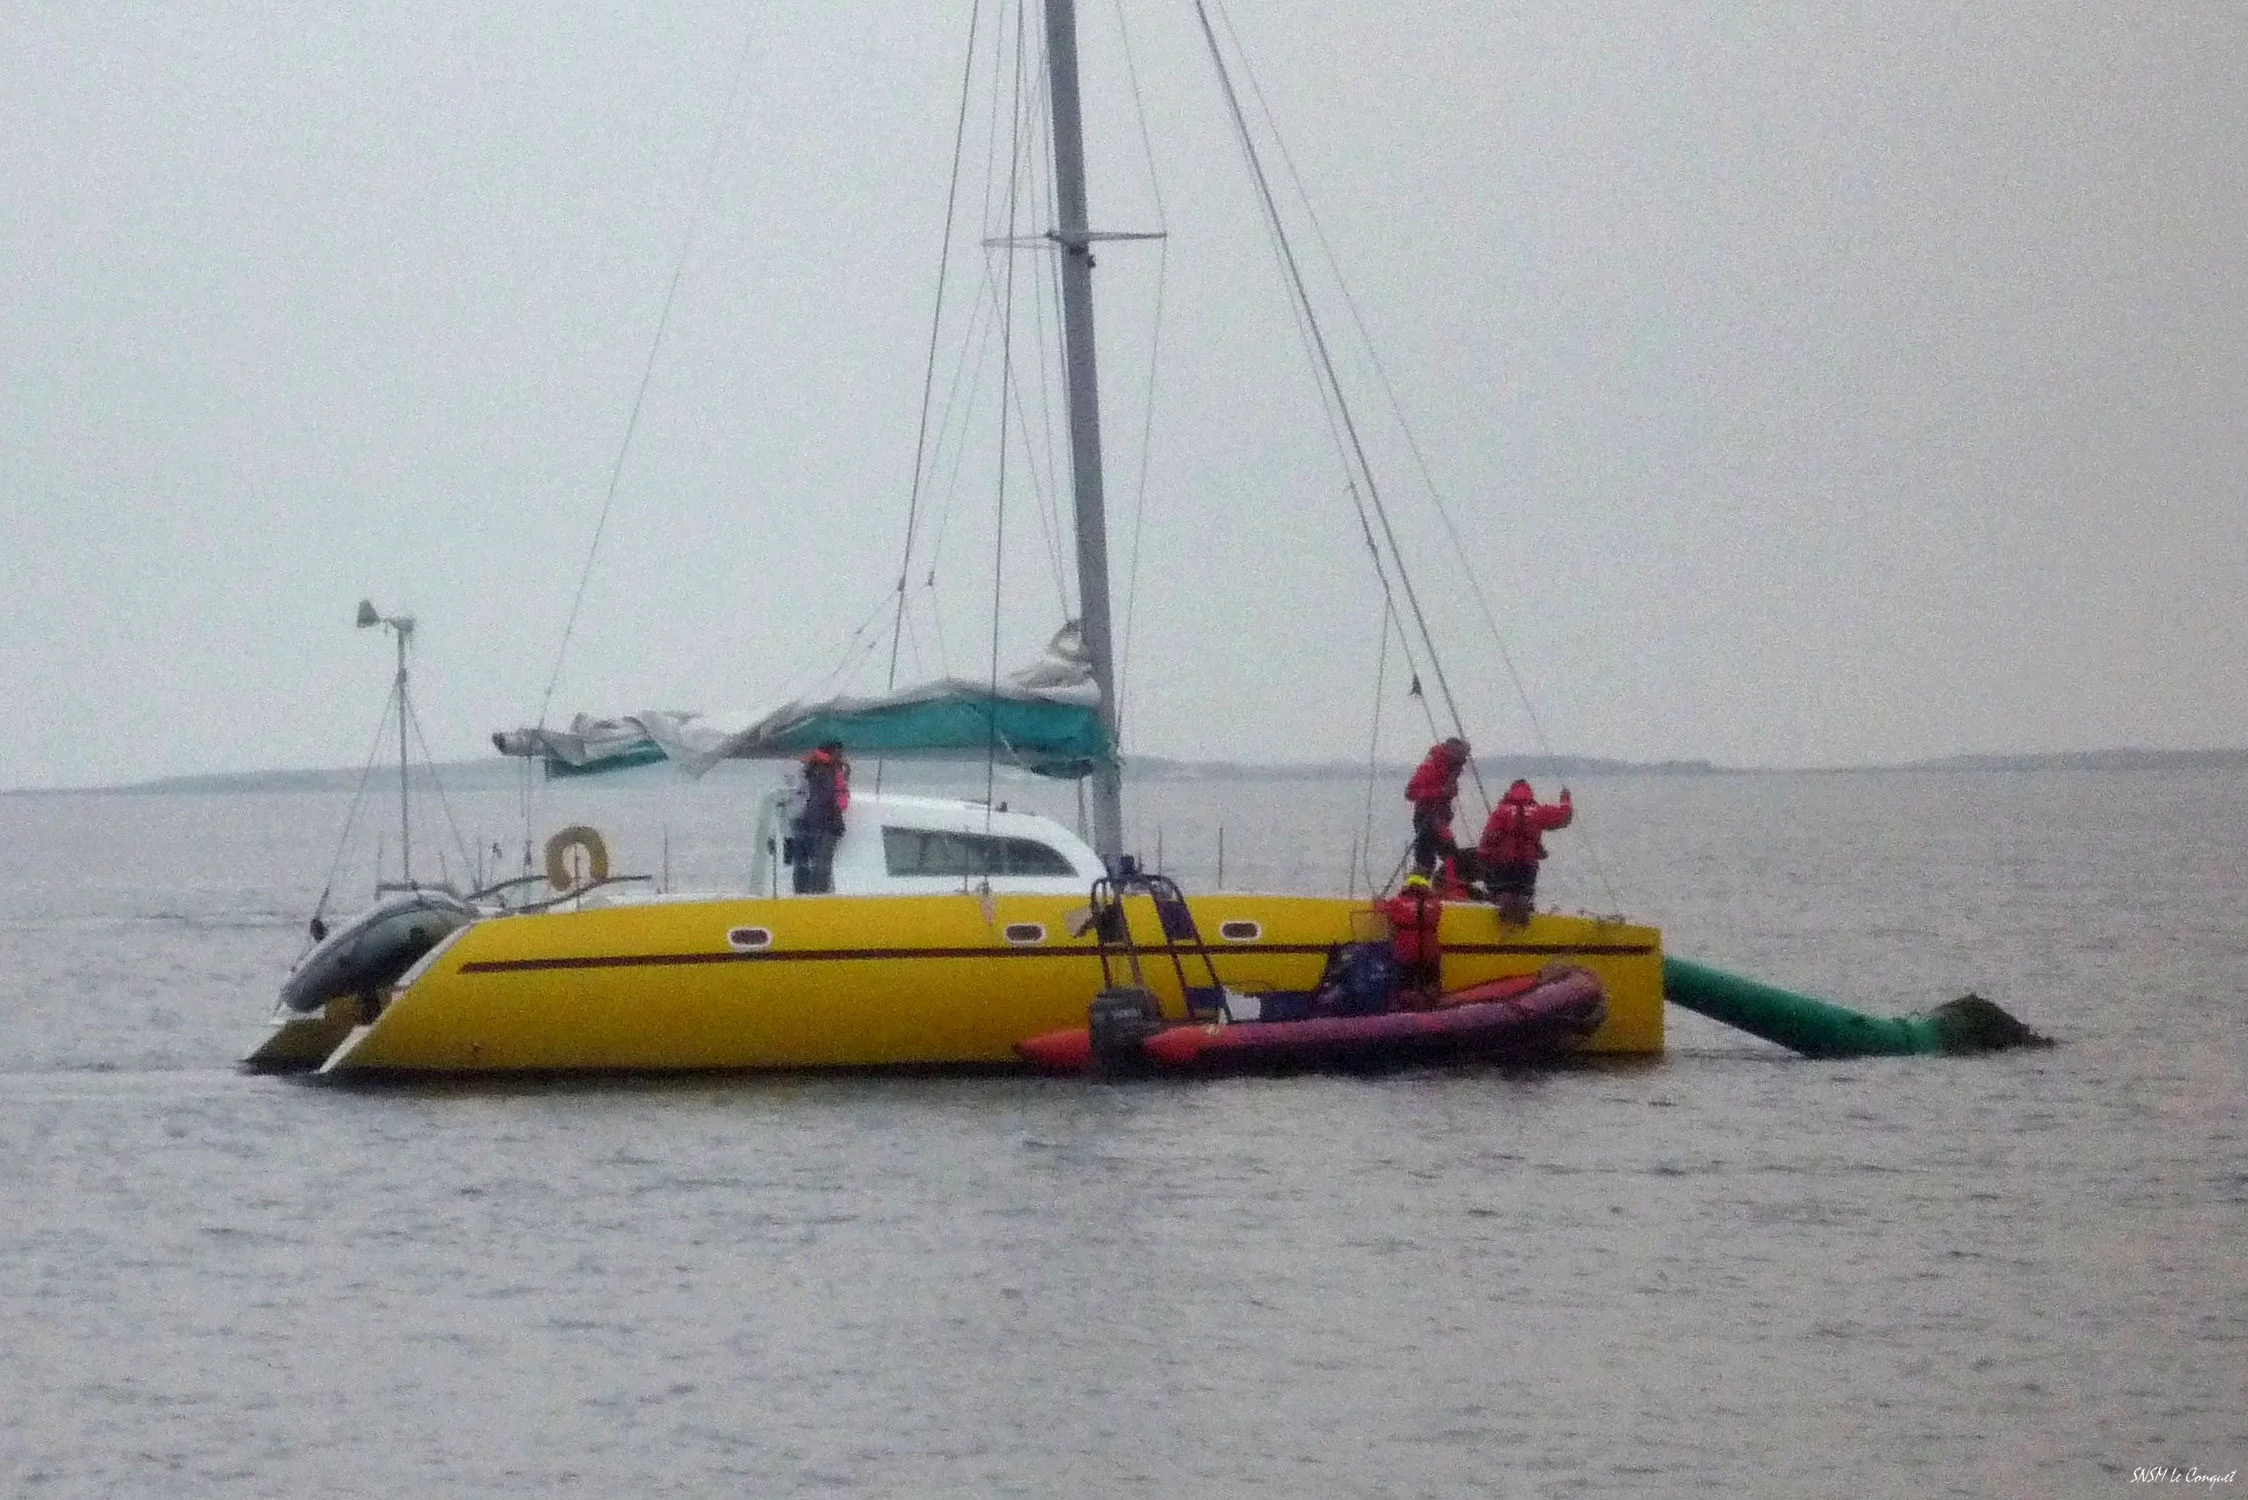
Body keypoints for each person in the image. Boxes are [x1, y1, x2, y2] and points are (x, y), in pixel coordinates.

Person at [1477, 778, 1572, 922]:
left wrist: (1484, 858)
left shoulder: (1501, 811)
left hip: (1504, 862)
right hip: (1528, 863)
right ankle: (1521, 924)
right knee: (1523, 895)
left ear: (1510, 792)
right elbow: (1564, 818)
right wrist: (1565, 799)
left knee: (1502, 894)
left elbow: (1488, 839)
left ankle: (1501, 923)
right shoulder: (1538, 811)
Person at [1404, 737, 1471, 880]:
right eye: (1460, 758)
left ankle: (1430, 887)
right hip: (1428, 817)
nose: (1462, 764)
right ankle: (1444, 887)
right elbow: (1411, 793)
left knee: (1434, 857)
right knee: (1442, 855)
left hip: (1439, 818)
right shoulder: (1429, 768)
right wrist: (1440, 792)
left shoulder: (1450, 770)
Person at [789, 739, 851, 894]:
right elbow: (841, 802)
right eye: (840, 752)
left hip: (802, 822)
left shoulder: (807, 766)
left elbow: (799, 793)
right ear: (834, 752)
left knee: (801, 863)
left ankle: (800, 895)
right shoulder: (834, 770)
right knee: (822, 864)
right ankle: (818, 896)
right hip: (827, 823)